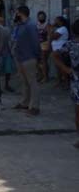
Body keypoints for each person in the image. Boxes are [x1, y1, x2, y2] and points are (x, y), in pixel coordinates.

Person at [52, 19, 79, 148]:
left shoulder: (70, 45)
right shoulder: (71, 45)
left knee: (78, 112)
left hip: (76, 82)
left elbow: (55, 55)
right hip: (76, 82)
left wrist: (65, 69)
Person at [12, 6, 41, 116]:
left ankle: (35, 107)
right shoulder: (19, 26)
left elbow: (35, 43)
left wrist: (37, 57)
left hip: (29, 58)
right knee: (24, 82)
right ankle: (25, 102)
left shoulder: (30, 25)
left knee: (32, 82)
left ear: (20, 13)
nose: (15, 15)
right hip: (20, 58)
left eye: (16, 13)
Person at [50, 16, 70, 88]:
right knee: (58, 67)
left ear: (61, 22)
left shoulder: (63, 28)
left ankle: (66, 83)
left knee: (62, 66)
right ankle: (59, 81)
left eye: (56, 20)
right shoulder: (58, 29)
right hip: (56, 49)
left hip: (61, 50)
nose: (55, 21)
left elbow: (54, 37)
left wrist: (51, 30)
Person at [36, 11, 51, 83]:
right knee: (37, 61)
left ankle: (45, 77)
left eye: (42, 17)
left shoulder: (47, 25)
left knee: (44, 61)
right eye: (40, 17)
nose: (41, 18)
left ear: (45, 17)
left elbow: (49, 35)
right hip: (37, 44)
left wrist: (48, 44)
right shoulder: (37, 24)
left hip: (44, 44)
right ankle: (40, 75)